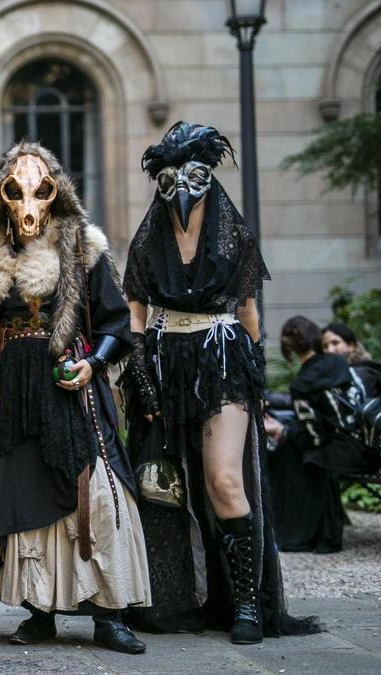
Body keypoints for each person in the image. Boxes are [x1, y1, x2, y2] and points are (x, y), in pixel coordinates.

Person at [0, 142, 150, 655]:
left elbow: (115, 322)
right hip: (7, 391)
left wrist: (92, 363)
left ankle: (109, 613)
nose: (29, 202)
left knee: (95, 494)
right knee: (18, 491)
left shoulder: (81, 245)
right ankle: (39, 612)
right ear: (2, 195)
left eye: (40, 189)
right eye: (16, 190)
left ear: (57, 191)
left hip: (67, 383)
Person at [120, 122, 321, 643]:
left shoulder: (233, 235)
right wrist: (140, 373)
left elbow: (250, 312)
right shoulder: (149, 240)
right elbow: (135, 311)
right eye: (169, 179)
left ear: (208, 177)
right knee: (163, 485)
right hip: (165, 362)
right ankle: (172, 597)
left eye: (192, 175)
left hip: (221, 359)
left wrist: (255, 380)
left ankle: (247, 604)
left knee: (223, 480)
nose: (181, 189)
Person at [270, 316, 381, 553]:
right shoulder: (337, 364)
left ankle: (315, 536)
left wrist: (284, 432)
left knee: (299, 457)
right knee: (302, 454)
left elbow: (315, 436)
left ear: (288, 349)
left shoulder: (302, 384)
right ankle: (316, 533)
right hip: (370, 441)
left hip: (351, 451)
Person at [322, 322, 381, 395]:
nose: (330, 350)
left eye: (335, 343)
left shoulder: (364, 374)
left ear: (351, 346)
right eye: (325, 346)